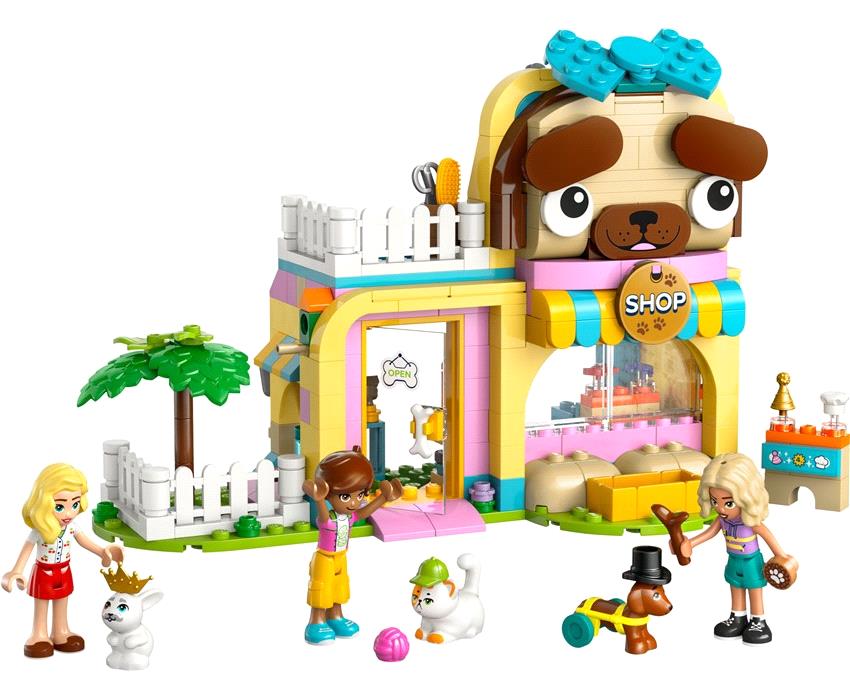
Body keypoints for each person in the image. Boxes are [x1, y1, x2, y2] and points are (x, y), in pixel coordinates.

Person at [2, 463, 123, 657]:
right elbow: (26, 550)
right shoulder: (39, 531)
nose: (69, 513)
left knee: (62, 601)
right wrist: (16, 571)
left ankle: (60, 632)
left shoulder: (71, 527)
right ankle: (39, 634)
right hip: (44, 571)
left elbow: (85, 542)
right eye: (60, 506)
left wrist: (102, 551)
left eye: (74, 504)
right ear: (43, 504)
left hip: (64, 570)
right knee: (41, 603)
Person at [677, 453, 793, 645]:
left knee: (754, 588)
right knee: (735, 585)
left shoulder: (751, 522)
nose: (721, 509)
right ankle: (738, 617)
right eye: (715, 501)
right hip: (733, 559)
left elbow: (769, 538)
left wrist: (782, 558)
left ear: (747, 497)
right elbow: (710, 533)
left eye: (728, 503)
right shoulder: (722, 519)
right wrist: (691, 543)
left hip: (751, 561)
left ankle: (758, 620)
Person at [301, 446, 402, 645]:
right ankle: (316, 621)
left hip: (341, 557)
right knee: (321, 588)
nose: (354, 502)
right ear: (329, 494)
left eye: (360, 494)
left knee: (339, 587)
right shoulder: (328, 519)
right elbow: (322, 514)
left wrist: (383, 497)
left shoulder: (349, 517)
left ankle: (335, 617)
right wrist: (319, 499)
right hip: (324, 558)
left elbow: (364, 513)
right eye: (346, 496)